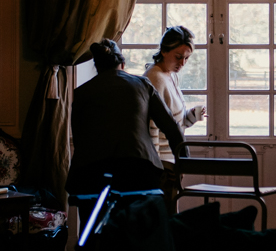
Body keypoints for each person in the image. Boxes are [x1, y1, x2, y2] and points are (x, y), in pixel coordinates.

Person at [66, 39, 187, 197]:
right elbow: (172, 128)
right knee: (139, 218)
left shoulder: (82, 92)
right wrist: (184, 163)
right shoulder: (143, 85)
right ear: (122, 65)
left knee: (92, 217)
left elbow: (80, 138)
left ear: (97, 68)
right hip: (139, 170)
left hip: (92, 173)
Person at [143, 26, 207, 210]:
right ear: (163, 51)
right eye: (179, 57)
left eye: (187, 58)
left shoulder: (171, 77)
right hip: (162, 165)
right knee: (165, 221)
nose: (183, 63)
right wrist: (154, 169)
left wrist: (192, 116)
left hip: (173, 160)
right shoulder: (154, 78)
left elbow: (174, 125)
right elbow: (152, 128)